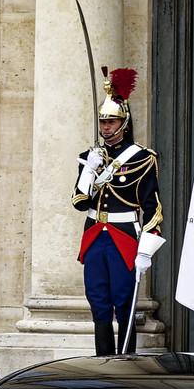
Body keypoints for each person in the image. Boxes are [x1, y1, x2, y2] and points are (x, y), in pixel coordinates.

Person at [72, 67, 164, 356]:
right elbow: (79, 202)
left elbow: (153, 207)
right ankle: (103, 363)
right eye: (102, 122)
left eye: (111, 121)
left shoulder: (142, 158)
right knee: (98, 301)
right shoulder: (89, 157)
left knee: (124, 301)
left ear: (123, 123)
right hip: (95, 236)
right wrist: (89, 171)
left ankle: (125, 364)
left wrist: (146, 249)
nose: (105, 127)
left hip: (124, 237)